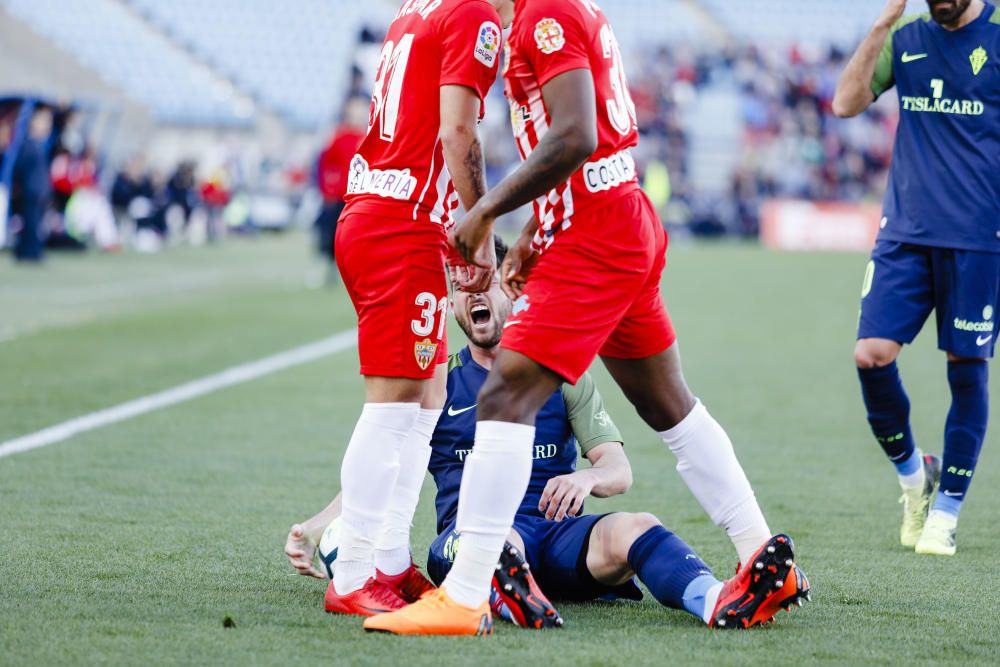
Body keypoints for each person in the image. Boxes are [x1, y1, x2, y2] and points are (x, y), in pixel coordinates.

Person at [367, 0, 809, 636]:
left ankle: (464, 595)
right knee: (669, 407)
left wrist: (487, 209)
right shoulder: (561, 10)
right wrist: (536, 234)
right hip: (614, 215)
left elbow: (576, 136)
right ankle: (761, 554)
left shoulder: (545, 13)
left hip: (597, 233)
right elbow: (591, 151)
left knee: (504, 395)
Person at [289, 238, 809, 634]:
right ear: (449, 306)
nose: (472, 294)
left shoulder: (560, 374)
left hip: (560, 538)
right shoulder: (439, 385)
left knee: (637, 525)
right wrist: (317, 527)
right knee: (498, 541)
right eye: (460, 288)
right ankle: (505, 585)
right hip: (470, 538)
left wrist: (586, 479)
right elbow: (385, 469)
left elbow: (618, 469)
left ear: (510, 288)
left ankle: (718, 598)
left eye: (483, 282)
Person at [322, 0, 509, 617]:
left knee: (425, 398)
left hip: (381, 211)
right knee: (394, 407)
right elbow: (458, 132)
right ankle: (351, 573)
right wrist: (480, 232)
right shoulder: (474, 13)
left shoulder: (417, 8)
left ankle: (389, 562)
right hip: (400, 224)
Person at [832, 0, 1000, 556]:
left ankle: (945, 513)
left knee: (966, 367)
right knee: (870, 354)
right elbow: (845, 102)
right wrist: (881, 23)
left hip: (979, 239)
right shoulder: (904, 38)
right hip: (905, 233)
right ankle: (914, 480)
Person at [315, 97, 368, 278]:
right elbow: (324, 163)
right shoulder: (339, 136)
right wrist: (327, 189)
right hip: (341, 195)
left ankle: (357, 268)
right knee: (334, 233)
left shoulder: (369, 135)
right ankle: (330, 268)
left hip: (362, 195)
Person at [11, 107, 53, 263]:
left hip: (39, 191)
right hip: (30, 190)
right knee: (30, 221)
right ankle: (28, 252)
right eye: (43, 121)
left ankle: (33, 250)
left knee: (36, 222)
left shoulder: (42, 144)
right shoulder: (27, 144)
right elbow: (20, 167)